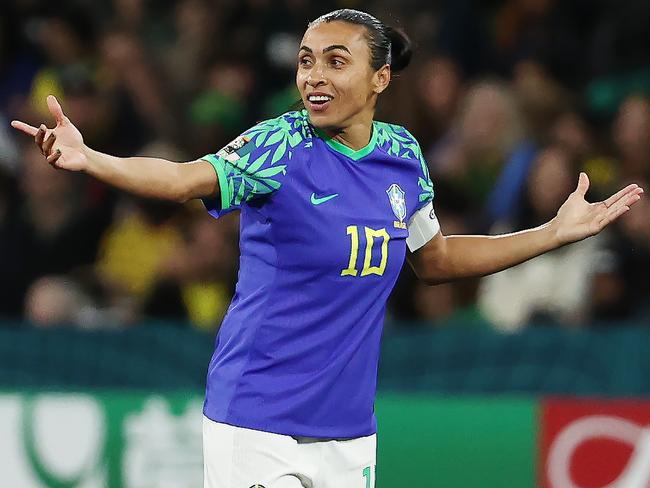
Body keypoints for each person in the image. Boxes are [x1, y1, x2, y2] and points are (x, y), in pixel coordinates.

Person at [11, 9, 643, 488]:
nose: (313, 76)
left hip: (347, 433)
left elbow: (438, 261)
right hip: (257, 420)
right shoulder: (279, 146)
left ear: (380, 77)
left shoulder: (402, 157)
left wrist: (551, 235)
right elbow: (181, 178)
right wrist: (91, 159)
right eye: (306, 60)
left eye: (335, 61)